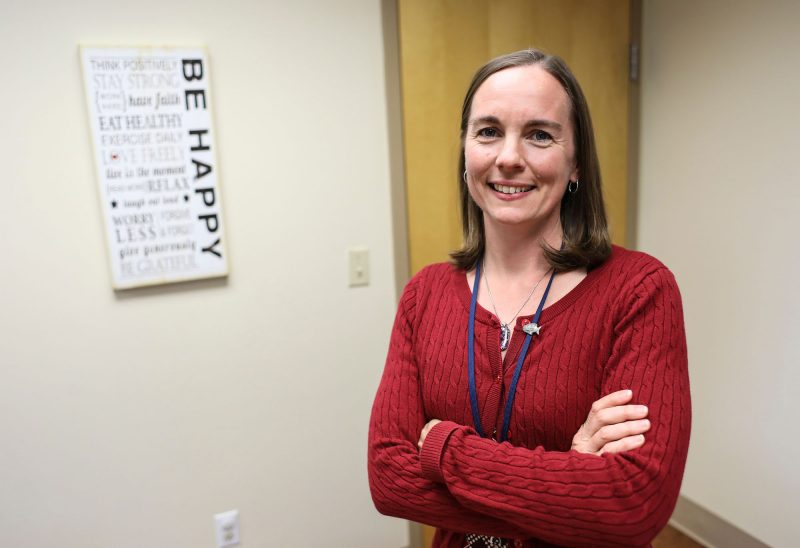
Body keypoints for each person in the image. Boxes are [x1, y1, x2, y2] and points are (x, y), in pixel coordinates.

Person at [368, 49, 691, 547]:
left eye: (540, 134)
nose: (509, 158)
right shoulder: (424, 295)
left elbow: (633, 504)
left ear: (576, 162)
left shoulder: (639, 291)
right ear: (466, 153)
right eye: (489, 131)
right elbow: (389, 480)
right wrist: (571, 474)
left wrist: (441, 447)